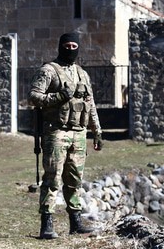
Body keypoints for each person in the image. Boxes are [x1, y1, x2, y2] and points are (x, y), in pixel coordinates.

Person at [28, 32, 103, 240]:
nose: (71, 49)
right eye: (67, 46)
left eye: (74, 46)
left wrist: (97, 132)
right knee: (52, 179)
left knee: (75, 180)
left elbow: (91, 105)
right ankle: (47, 224)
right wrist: (59, 96)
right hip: (56, 132)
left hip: (79, 134)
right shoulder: (48, 71)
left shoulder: (82, 74)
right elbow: (33, 96)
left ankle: (75, 222)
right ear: (60, 47)